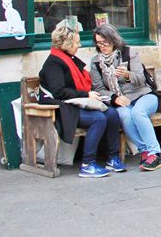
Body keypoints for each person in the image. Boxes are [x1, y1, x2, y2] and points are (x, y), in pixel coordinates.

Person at [39, 22, 125, 178]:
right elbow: (59, 92)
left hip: (73, 104)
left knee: (111, 114)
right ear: (66, 44)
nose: (79, 45)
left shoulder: (67, 59)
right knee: (98, 119)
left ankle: (113, 157)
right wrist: (86, 95)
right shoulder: (53, 63)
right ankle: (88, 164)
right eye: (76, 42)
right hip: (61, 109)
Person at [89, 24, 161, 171]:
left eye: (106, 42)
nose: (102, 46)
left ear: (113, 40)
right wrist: (114, 97)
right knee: (125, 116)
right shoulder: (96, 62)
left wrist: (127, 75)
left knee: (138, 112)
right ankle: (145, 152)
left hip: (144, 95)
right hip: (121, 100)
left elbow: (141, 79)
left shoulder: (129, 53)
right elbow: (99, 88)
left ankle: (155, 153)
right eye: (99, 43)